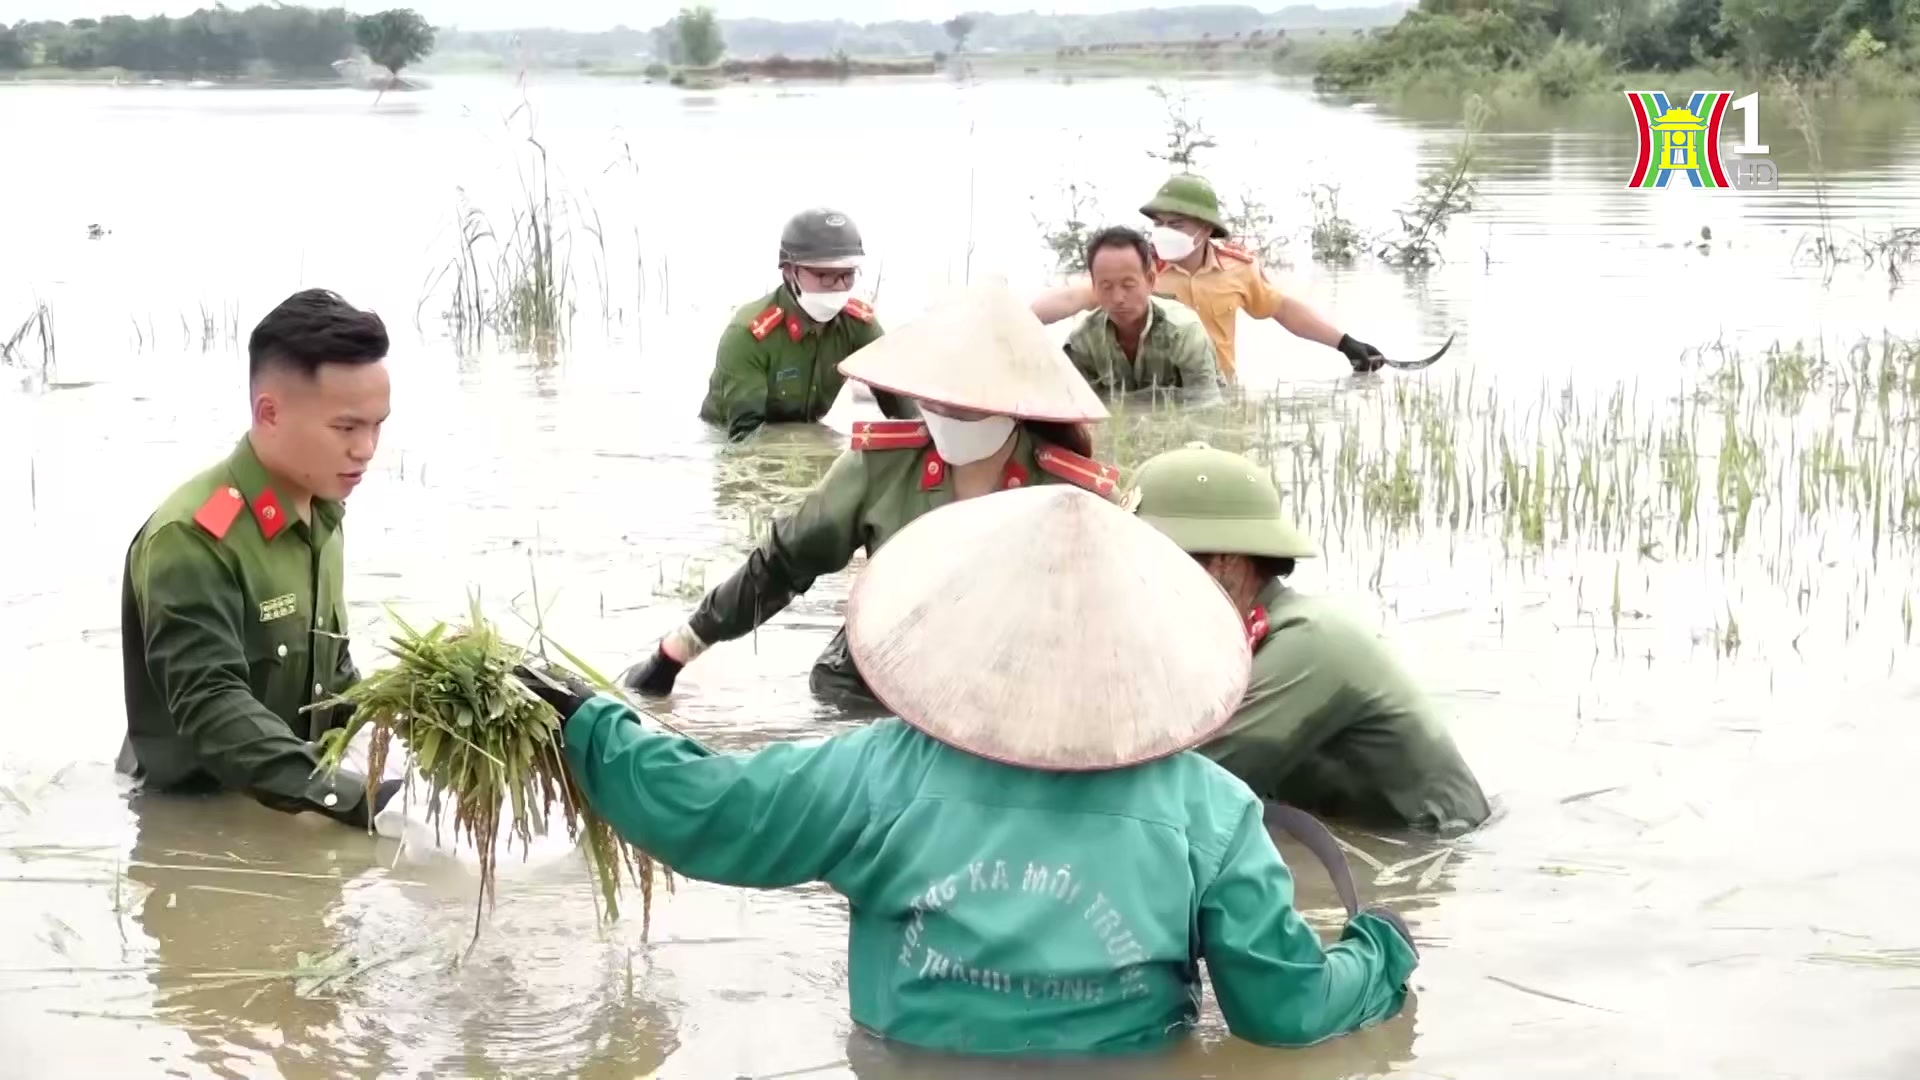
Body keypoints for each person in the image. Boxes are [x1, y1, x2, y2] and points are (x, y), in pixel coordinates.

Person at [518, 483, 1417, 1056]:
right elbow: (1284, 1012)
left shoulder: (878, 772)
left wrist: (595, 726)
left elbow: (712, 813)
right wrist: (1380, 952)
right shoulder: (1211, 812)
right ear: (1150, 651)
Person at [620, 276, 1124, 707]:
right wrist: (678, 650)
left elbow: (1119, 621)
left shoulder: (1069, 488)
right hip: (881, 673)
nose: (947, 412)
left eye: (968, 402)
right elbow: (783, 563)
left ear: (1018, 401)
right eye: (937, 396)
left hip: (1014, 680)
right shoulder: (881, 465)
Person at [116, 288, 402, 829]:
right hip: (196, 834)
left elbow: (331, 682)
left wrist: (421, 729)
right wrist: (351, 797)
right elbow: (214, 708)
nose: (366, 448)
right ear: (269, 412)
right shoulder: (193, 538)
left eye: (377, 425)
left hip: (297, 807)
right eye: (346, 427)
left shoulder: (322, 517)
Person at [1127, 443, 1491, 832]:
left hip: (1433, 848)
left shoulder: (1305, 643)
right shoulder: (1234, 641)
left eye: (1154, 557)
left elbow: (1183, 789)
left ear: (1224, 560)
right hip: (1357, 833)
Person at [1030, 173, 1389, 381]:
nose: (1164, 231)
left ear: (1204, 229)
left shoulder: (1238, 268)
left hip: (1216, 390)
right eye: (1159, 224)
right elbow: (1072, 297)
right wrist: (1013, 320)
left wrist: (1345, 343)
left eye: (1177, 224)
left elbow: (1282, 309)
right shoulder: (1139, 271)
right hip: (1152, 390)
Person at [699, 207, 904, 441]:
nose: (839, 286)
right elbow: (745, 437)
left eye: (847, 275)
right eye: (825, 275)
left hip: (801, 434)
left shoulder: (859, 326)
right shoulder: (748, 335)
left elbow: (900, 401)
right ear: (789, 272)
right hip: (722, 440)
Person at [1063, 226, 1222, 404]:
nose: (1118, 298)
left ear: (1150, 281)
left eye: (1128, 284)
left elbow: (1207, 411)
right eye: (1106, 286)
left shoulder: (1183, 332)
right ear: (1094, 286)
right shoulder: (1082, 343)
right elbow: (1081, 413)